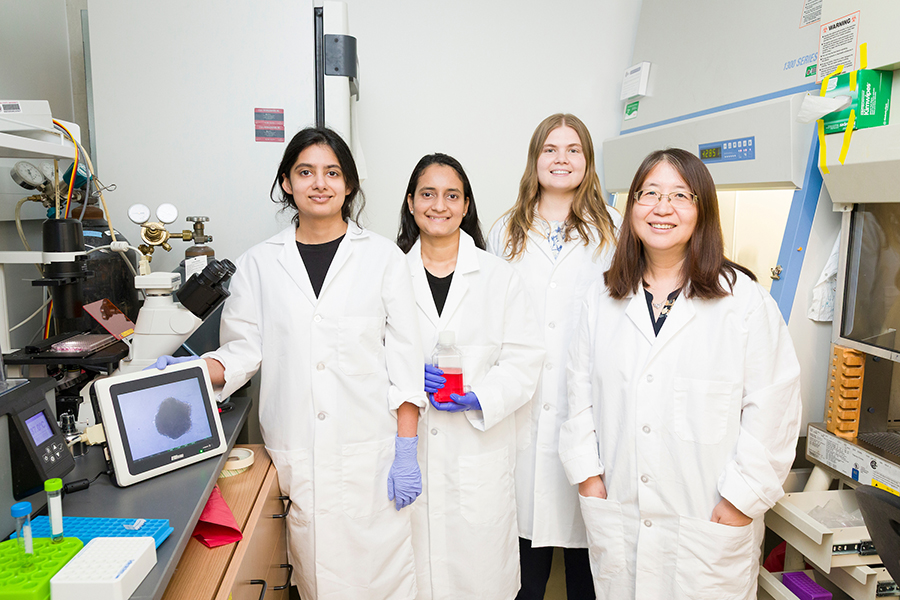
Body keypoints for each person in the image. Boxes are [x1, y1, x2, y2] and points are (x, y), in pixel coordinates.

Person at [157, 127, 426, 599]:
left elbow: (406, 360)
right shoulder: (260, 263)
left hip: (371, 450)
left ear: (349, 185)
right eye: (306, 172)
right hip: (298, 448)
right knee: (315, 578)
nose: (319, 183)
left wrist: (406, 450)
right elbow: (242, 350)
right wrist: (192, 373)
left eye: (332, 172)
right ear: (287, 182)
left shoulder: (385, 259)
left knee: (382, 581)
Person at [559, 148, 802, 599]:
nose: (662, 207)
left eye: (679, 195)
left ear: (701, 209)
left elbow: (775, 407)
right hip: (621, 513)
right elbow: (578, 395)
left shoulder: (743, 302)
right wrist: (590, 481)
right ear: (632, 207)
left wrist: (740, 500)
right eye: (649, 193)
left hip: (706, 524)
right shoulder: (603, 298)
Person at [397, 153, 544, 600]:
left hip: (478, 454)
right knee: (414, 579)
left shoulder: (499, 277)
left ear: (465, 206)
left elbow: (525, 359)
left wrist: (478, 397)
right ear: (410, 202)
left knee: (479, 581)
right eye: (428, 194)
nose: (439, 205)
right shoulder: (390, 274)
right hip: (412, 450)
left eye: (451, 195)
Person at [487, 113, 620, 600]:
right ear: (535, 159)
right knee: (524, 565)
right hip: (522, 408)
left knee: (590, 561)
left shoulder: (615, 231)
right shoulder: (506, 231)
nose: (561, 159)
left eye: (573, 150)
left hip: (588, 409)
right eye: (550, 149)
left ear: (586, 163)